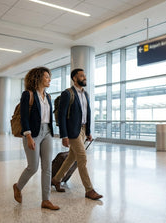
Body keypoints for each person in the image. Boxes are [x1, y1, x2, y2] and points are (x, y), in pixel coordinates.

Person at [12, 66, 60, 210]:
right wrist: (28, 136)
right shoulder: (28, 94)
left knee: (47, 167)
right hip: (32, 133)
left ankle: (46, 200)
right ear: (38, 78)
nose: (49, 79)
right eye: (46, 77)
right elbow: (24, 117)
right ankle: (18, 186)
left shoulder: (49, 96)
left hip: (47, 133)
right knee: (33, 167)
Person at [52, 68, 103, 200]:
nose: (84, 77)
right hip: (72, 131)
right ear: (74, 78)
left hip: (82, 129)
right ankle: (89, 190)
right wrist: (64, 135)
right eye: (81, 76)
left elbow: (88, 113)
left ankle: (56, 179)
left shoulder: (85, 94)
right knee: (82, 158)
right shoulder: (67, 94)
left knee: (71, 158)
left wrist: (88, 132)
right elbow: (62, 116)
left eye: (84, 75)